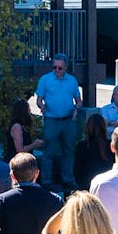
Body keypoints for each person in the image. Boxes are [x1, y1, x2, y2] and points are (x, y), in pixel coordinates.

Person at [34, 55, 84, 188]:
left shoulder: (72, 81)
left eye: (60, 68)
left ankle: (67, 179)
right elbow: (39, 99)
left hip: (68, 120)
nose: (57, 70)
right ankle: (46, 180)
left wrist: (76, 109)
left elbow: (78, 101)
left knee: (68, 150)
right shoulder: (45, 79)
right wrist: (42, 107)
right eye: (54, 67)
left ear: (66, 67)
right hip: (51, 120)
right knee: (48, 151)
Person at [74, 110, 115, 191]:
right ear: (104, 127)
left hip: (87, 185)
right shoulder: (110, 144)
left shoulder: (82, 145)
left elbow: (77, 170)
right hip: (108, 184)